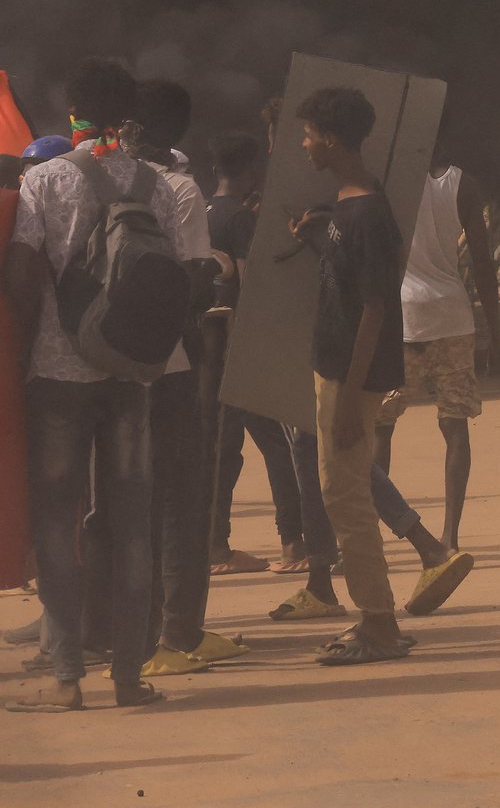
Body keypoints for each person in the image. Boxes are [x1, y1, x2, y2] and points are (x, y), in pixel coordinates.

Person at [4, 59, 181, 710]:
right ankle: (130, 675)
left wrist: (32, 334)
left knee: (58, 521)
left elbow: (22, 273)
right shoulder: (155, 183)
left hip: (58, 371)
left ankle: (67, 677)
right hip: (131, 374)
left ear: (72, 109)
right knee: (131, 521)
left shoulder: (45, 178)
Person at [97, 81, 245, 678]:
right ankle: (178, 633)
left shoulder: (92, 178)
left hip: (103, 361)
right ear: (179, 133)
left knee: (122, 499)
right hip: (173, 363)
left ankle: (118, 633)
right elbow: (189, 279)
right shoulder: (179, 190)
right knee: (182, 498)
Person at [285, 87, 427, 664]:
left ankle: (378, 625)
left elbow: (375, 305)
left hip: (349, 377)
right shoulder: (347, 204)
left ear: (333, 139)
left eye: (310, 134)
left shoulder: (366, 209)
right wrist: (319, 233)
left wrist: (348, 397)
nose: (304, 144)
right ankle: (378, 618)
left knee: (344, 495)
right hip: (334, 370)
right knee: (341, 492)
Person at [372, 143, 500, 552]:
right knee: (454, 425)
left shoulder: (388, 185)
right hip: (452, 317)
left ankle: (373, 533)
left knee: (381, 426)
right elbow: (481, 259)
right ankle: (450, 536)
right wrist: (495, 328)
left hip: (402, 319)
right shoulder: (463, 183)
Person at [203, 130, 305, 574]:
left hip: (207, 348)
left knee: (222, 451)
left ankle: (216, 547)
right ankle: (293, 545)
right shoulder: (242, 221)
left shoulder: (199, 212)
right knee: (279, 448)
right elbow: (250, 283)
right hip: (243, 346)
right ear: (251, 173)